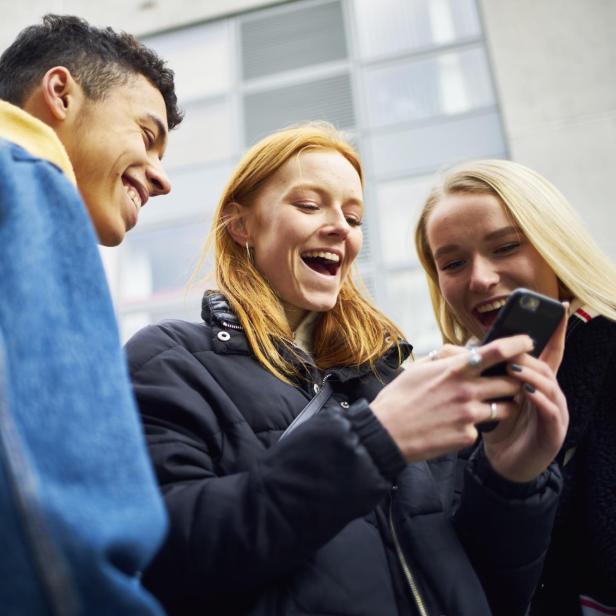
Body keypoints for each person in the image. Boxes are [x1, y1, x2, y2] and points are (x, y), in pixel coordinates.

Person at [126, 123, 567, 616]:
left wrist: (511, 479)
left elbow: (486, 590)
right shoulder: (171, 361)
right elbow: (163, 558)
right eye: (310, 205)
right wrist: (373, 442)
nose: (340, 227)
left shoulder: (396, 381)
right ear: (242, 226)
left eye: (353, 216)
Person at [0, 14, 182, 615]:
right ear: (60, 94)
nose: (161, 179)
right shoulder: (26, 184)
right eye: (145, 133)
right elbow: (50, 514)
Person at [414, 158, 616, 615]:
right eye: (453, 262)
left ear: (556, 244)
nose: (480, 278)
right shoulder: (451, 409)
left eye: (505, 247)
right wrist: (507, 478)